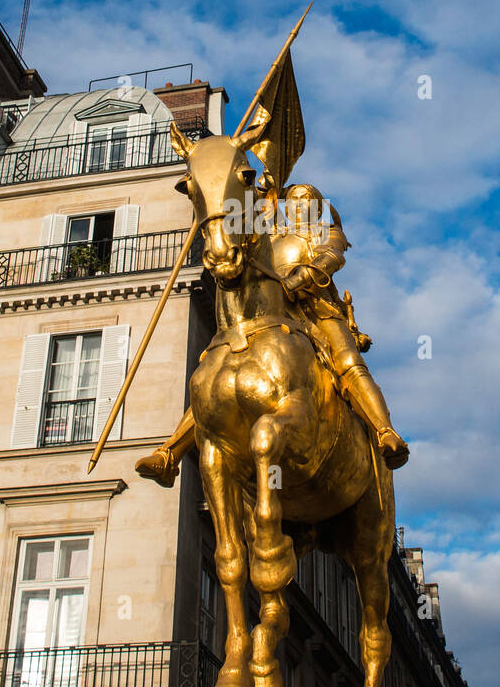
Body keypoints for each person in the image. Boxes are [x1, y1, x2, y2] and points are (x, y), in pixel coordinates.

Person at [135, 180, 409, 487]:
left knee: (348, 362)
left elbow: (332, 258)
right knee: (217, 374)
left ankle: (385, 432)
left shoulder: (325, 233)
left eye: (305, 199)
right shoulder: (274, 238)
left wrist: (300, 278)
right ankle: (170, 454)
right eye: (291, 201)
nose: (297, 205)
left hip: (317, 312)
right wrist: (255, 189)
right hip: (275, 315)